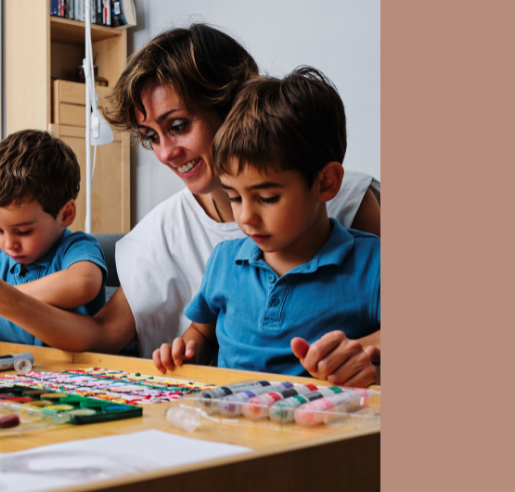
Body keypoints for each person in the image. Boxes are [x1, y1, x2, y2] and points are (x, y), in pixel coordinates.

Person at [0, 24, 381, 368]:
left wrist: (364, 352)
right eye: (151, 135)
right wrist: (5, 299)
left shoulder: (342, 199)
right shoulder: (163, 233)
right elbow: (101, 335)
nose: (166, 152)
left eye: (179, 126)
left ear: (230, 105)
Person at [151, 67, 380, 387]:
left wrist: (368, 356)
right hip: (229, 422)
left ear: (326, 182)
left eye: (268, 197)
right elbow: (202, 331)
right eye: (234, 197)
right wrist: (185, 353)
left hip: (319, 424)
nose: (246, 217)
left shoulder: (373, 263)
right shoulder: (224, 259)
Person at [0, 129, 108, 346]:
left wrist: (3, 296)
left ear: (66, 214)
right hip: (12, 372)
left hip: (73, 373)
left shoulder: (76, 248)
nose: (9, 244)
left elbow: (84, 283)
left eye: (23, 231)